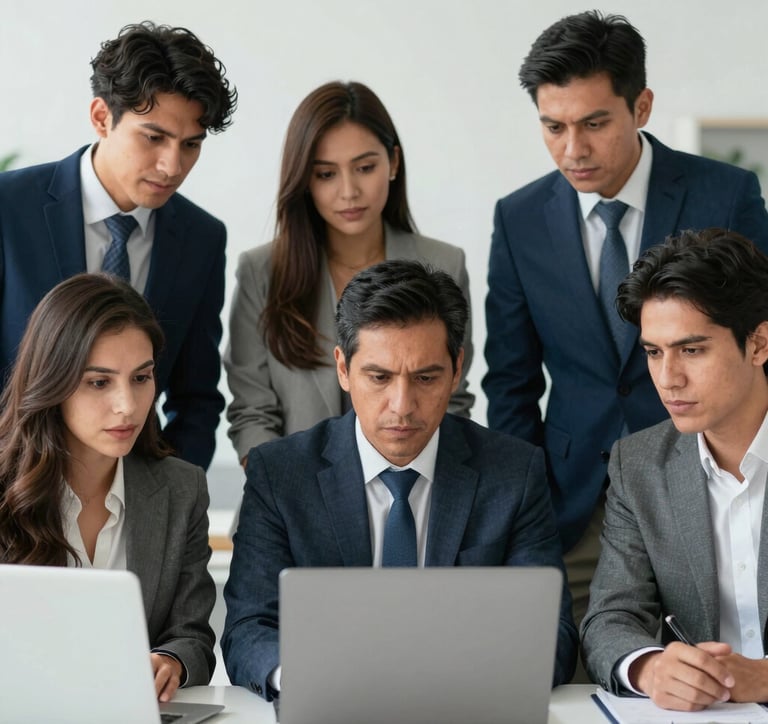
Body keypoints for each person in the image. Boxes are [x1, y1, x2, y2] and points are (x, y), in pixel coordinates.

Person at [483, 9, 768, 624]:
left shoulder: (726, 194)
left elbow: (760, 337)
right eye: (552, 126)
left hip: (711, 480)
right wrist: (523, 503)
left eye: (593, 123)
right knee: (592, 667)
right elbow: (509, 380)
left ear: (640, 107)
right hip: (573, 501)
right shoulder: (519, 218)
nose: (573, 149)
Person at [222, 259, 577, 698]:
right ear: (342, 369)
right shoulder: (280, 474)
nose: (402, 405)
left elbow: (552, 635)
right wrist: (304, 680)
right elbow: (247, 629)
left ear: (456, 369)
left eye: (426, 378)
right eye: (379, 377)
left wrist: (454, 680)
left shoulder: (513, 473)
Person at [0, 21, 238, 469]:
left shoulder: (202, 238)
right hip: (12, 492)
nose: (172, 165)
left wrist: (170, 501)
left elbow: (196, 397)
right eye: (154, 137)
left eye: (191, 144)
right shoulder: (9, 208)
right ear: (101, 117)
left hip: (134, 499)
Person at [224, 81, 473, 465]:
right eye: (326, 174)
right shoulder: (262, 271)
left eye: (365, 167)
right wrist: (288, 497)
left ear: (393, 162)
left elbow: (451, 402)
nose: (349, 191)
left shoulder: (444, 265)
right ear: (304, 180)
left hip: (414, 502)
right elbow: (253, 414)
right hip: (290, 503)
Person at [0, 273, 216, 702]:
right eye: (99, 382)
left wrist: (170, 662)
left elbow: (192, 635)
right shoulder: (7, 486)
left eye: (141, 378)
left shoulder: (182, 488)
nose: (128, 405)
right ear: (52, 382)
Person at [581, 229, 768, 710]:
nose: (668, 379)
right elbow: (610, 615)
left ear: (759, 343)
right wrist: (649, 666)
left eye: (692, 350)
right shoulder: (638, 463)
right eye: (653, 352)